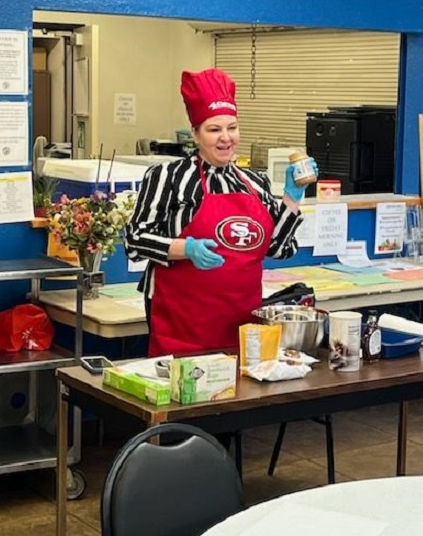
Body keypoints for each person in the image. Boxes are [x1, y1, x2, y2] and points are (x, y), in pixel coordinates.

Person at [125, 67, 317, 357]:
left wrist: (292, 198)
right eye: (214, 129)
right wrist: (186, 249)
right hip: (183, 319)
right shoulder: (168, 176)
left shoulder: (255, 181)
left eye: (232, 127)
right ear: (195, 134)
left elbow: (278, 249)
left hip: (242, 317)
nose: (226, 138)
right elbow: (134, 241)